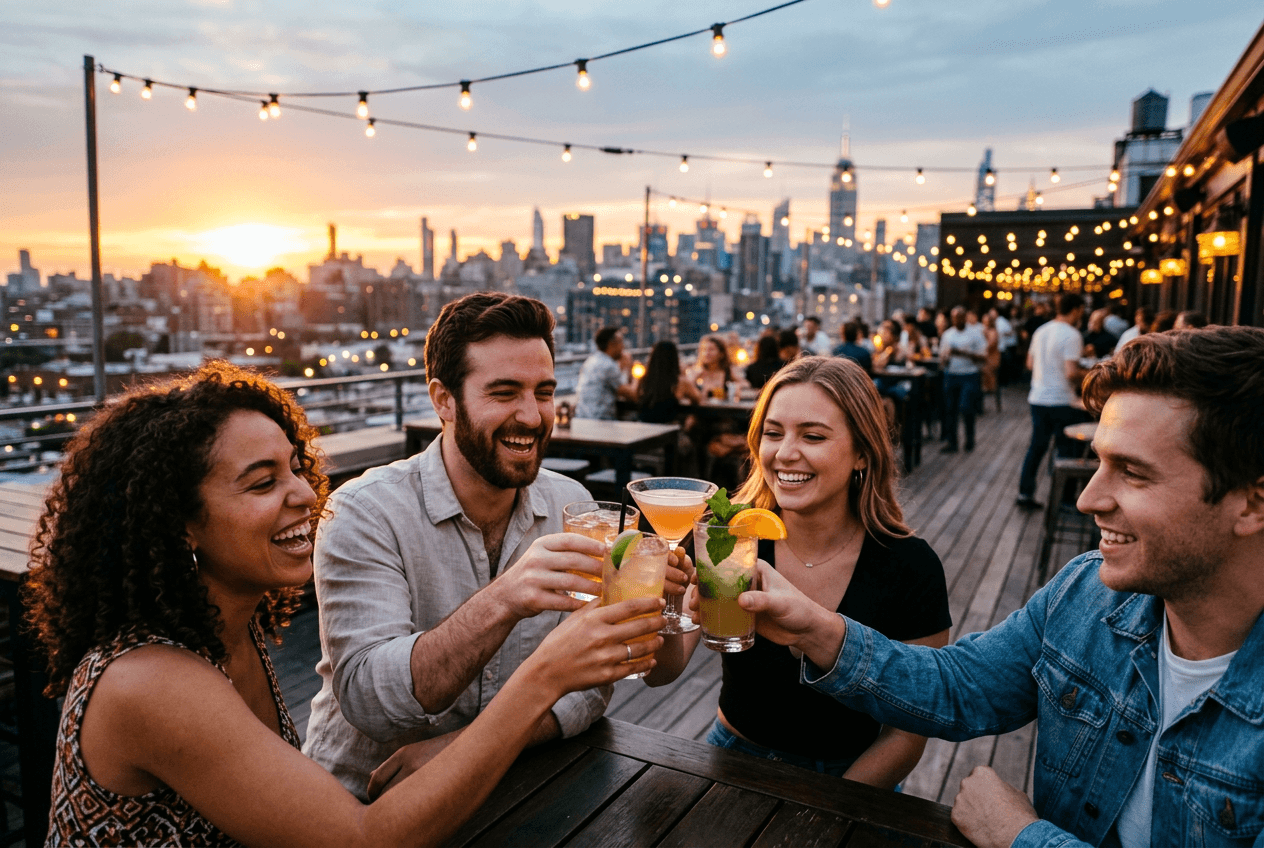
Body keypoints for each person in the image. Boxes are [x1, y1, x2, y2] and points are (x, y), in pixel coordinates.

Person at [25, 361, 666, 847]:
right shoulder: (151, 682)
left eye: (296, 468)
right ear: (179, 522)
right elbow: (368, 839)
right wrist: (545, 672)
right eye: (263, 482)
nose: (306, 494)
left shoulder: (226, 633)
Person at [732, 326, 1264, 848]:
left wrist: (1021, 836)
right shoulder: (1085, 593)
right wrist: (815, 628)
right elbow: (958, 686)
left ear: (1252, 503)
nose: (1088, 498)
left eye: (1133, 472)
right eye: (1100, 462)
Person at [302, 293, 686, 800]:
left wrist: (465, 749)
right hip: (361, 804)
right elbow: (371, 701)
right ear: (443, 400)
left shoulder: (572, 504)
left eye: (543, 392)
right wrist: (505, 598)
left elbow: (590, 685)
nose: (531, 416)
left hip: (511, 789)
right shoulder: (362, 511)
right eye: (504, 392)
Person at [652, 357, 951, 787]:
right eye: (773, 434)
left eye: (812, 436)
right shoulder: (727, 537)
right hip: (732, 759)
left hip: (853, 781)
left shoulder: (912, 568)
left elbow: (907, 734)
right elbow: (662, 672)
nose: (785, 453)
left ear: (862, 454)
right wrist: (661, 606)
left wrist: (828, 809)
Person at [1016, 293, 1088, 510]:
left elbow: (1030, 363)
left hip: (1038, 398)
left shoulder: (1041, 331)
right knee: (1067, 449)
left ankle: (1024, 493)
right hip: (1061, 400)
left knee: (1037, 447)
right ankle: (1064, 500)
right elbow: (1071, 373)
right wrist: (1094, 372)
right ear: (1075, 310)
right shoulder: (1072, 335)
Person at [938, 306, 987, 453]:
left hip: (969, 375)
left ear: (965, 317)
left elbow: (983, 356)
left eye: (960, 317)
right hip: (951, 374)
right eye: (954, 318)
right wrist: (945, 358)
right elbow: (942, 357)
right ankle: (952, 442)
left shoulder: (975, 334)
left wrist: (963, 353)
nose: (957, 320)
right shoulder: (947, 335)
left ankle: (969, 438)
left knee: (966, 407)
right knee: (950, 409)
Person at [574, 325, 636, 420]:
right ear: (611, 344)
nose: (623, 346)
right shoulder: (609, 365)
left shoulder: (591, 360)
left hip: (582, 417)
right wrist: (629, 369)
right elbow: (631, 395)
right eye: (621, 342)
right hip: (600, 421)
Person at [637, 339, 702, 423]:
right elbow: (697, 399)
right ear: (675, 358)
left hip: (643, 427)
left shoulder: (643, 379)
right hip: (667, 429)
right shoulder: (679, 382)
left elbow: (636, 396)